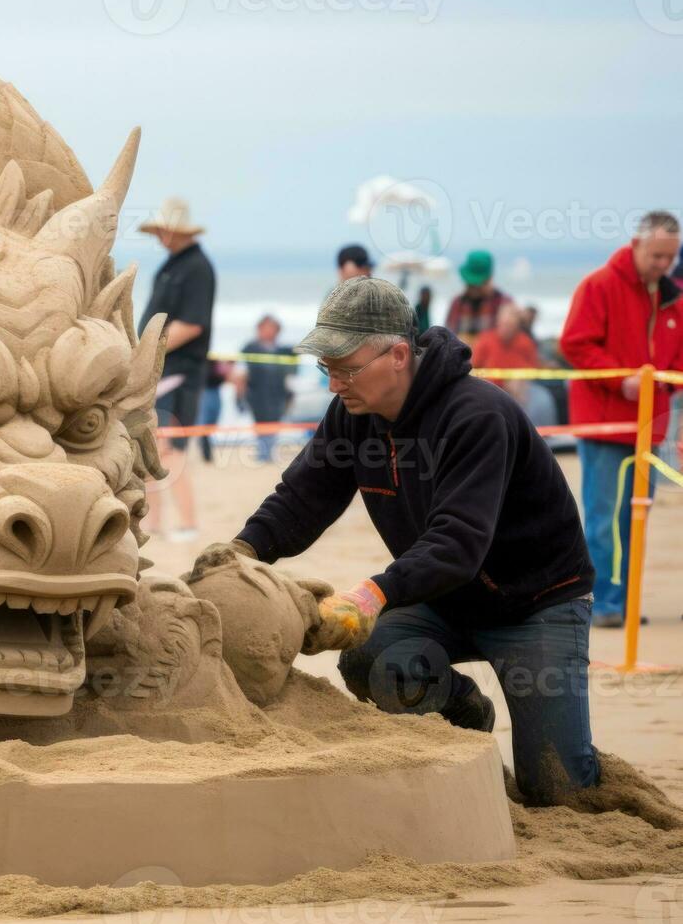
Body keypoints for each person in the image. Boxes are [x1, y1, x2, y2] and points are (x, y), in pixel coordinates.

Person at [226, 277, 599, 806]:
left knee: (558, 790)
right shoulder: (353, 414)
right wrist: (239, 553)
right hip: (445, 599)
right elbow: (302, 498)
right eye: (325, 369)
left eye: (345, 368)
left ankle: (568, 758)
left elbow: (457, 543)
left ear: (399, 354)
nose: (335, 384)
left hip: (536, 603)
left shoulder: (476, 415)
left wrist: (372, 594)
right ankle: (466, 716)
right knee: (368, 658)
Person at [559, 211, 683, 628]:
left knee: (635, 517)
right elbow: (574, 343)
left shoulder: (672, 298)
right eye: (657, 255)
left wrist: (665, 383)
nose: (664, 264)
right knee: (602, 517)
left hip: (649, 426)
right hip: (606, 423)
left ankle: (622, 602)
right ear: (636, 245)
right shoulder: (599, 285)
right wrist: (622, 380)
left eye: (671, 256)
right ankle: (603, 603)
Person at [137, 197, 214, 542]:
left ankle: (188, 524)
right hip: (159, 371)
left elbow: (193, 324)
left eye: (163, 230)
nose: (159, 236)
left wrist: (148, 349)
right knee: (150, 449)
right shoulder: (171, 264)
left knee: (171, 450)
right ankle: (154, 524)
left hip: (179, 371)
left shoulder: (197, 266)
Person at [238, 314, 295, 463]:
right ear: (259, 329)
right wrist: (239, 396)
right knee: (261, 424)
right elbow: (241, 374)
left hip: (278, 394)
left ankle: (268, 454)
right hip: (257, 395)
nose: (270, 332)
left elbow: (293, 371)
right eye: (266, 328)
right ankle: (263, 455)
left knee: (274, 424)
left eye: (273, 328)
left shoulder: (284, 350)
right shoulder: (249, 348)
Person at [471, 301, 540, 403]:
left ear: (517, 324)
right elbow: (473, 367)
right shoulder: (485, 340)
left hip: (518, 392)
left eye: (510, 324)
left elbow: (534, 370)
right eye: (504, 323)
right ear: (498, 321)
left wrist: (520, 378)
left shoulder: (526, 343)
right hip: (488, 389)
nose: (506, 328)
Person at [445, 250, 511, 343]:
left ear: (489, 279)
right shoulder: (457, 303)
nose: (473, 287)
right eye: (470, 283)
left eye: (477, 283)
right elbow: (448, 337)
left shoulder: (503, 303)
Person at [196, 361, 228, 464]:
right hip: (205, 390)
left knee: (211, 425)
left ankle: (206, 452)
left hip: (215, 390)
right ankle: (206, 454)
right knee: (204, 425)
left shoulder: (219, 357)